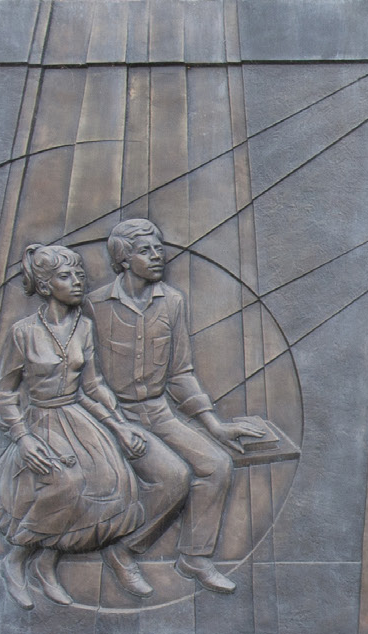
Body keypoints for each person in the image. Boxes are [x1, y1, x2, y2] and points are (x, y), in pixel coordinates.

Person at [86, 219, 264, 596]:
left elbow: (180, 373)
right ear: (122, 259)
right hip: (112, 418)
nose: (157, 256)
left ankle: (194, 557)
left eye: (158, 248)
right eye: (145, 250)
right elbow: (87, 378)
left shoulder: (172, 302)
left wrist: (213, 424)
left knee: (216, 465)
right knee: (173, 476)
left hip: (158, 411)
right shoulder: (95, 305)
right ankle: (123, 551)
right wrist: (118, 425)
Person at [0, 244, 154, 609]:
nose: (77, 282)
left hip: (78, 418)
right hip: (40, 423)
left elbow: (91, 388)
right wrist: (22, 439)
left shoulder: (84, 327)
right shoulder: (23, 332)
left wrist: (119, 427)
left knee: (109, 483)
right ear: (44, 286)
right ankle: (15, 559)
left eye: (79, 275)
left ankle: (46, 565)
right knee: (67, 483)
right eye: (65, 277)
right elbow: (2, 393)